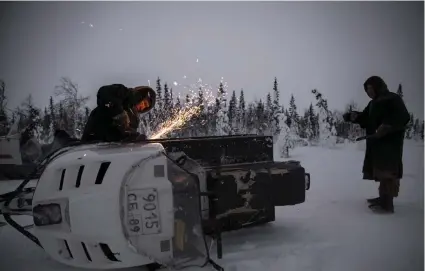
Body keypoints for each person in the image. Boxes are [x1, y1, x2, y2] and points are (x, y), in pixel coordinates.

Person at [343, 76, 410, 214]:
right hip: (377, 144)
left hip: (390, 143)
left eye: (370, 88)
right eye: (367, 90)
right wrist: (353, 116)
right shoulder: (373, 104)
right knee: (380, 170)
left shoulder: (393, 98)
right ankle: (382, 198)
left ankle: (387, 204)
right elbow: (366, 118)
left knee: (388, 172)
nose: (369, 92)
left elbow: (403, 116)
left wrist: (387, 126)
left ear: (378, 86)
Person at [82, 84, 156, 142]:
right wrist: (119, 113)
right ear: (140, 95)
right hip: (92, 141)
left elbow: (125, 136)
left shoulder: (134, 119)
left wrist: (134, 137)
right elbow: (103, 93)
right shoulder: (122, 93)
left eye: (146, 107)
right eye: (144, 103)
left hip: (108, 151)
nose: (143, 107)